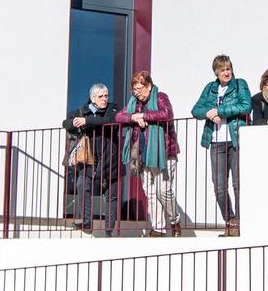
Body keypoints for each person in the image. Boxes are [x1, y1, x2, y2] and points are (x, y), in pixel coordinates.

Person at [118, 70, 183, 237]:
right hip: (143, 153)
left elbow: (166, 114)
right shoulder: (134, 102)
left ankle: (175, 219)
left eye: (139, 89)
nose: (136, 93)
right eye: (134, 90)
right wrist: (134, 117)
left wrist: (144, 116)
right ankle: (158, 228)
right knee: (150, 191)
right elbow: (119, 116)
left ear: (148, 86)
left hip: (164, 153)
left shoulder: (160, 97)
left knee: (163, 190)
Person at [192, 55, 251, 236]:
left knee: (238, 184)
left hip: (236, 140)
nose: (226, 72)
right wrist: (209, 114)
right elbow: (196, 110)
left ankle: (242, 222)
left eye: (228, 68)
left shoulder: (240, 84)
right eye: (222, 69)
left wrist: (220, 110)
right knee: (219, 186)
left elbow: (246, 106)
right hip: (216, 142)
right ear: (216, 72)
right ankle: (231, 220)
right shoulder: (210, 88)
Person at [64, 83, 119, 233]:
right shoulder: (83, 110)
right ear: (92, 98)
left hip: (110, 158)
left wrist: (87, 121)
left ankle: (109, 230)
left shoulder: (113, 109)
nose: (104, 99)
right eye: (100, 96)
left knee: (111, 196)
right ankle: (87, 223)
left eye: (106, 96)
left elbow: (110, 120)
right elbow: (66, 123)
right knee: (82, 185)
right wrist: (75, 122)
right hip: (89, 158)